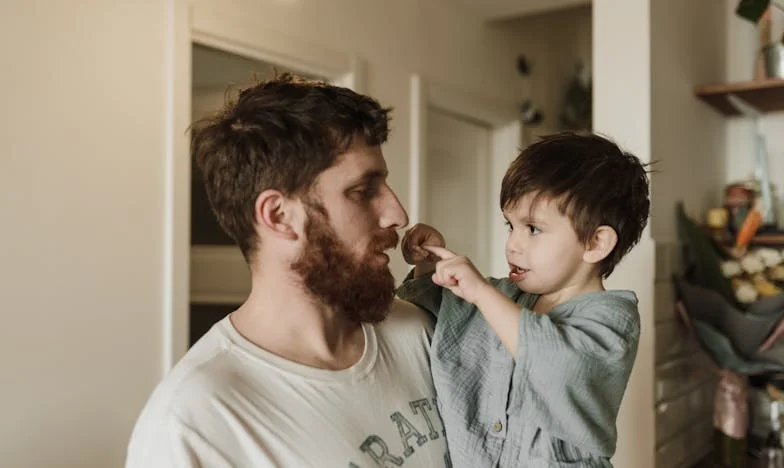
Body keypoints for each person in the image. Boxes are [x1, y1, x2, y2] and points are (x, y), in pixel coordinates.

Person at [126, 74, 450, 467]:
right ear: (279, 216)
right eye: (363, 192)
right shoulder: (192, 425)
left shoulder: (418, 332)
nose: (396, 214)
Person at [397, 132, 651, 467]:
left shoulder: (613, 320)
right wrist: (429, 261)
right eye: (510, 226)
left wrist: (481, 292)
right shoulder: (503, 296)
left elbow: (562, 367)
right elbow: (440, 309)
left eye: (532, 229)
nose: (513, 245)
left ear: (594, 243)